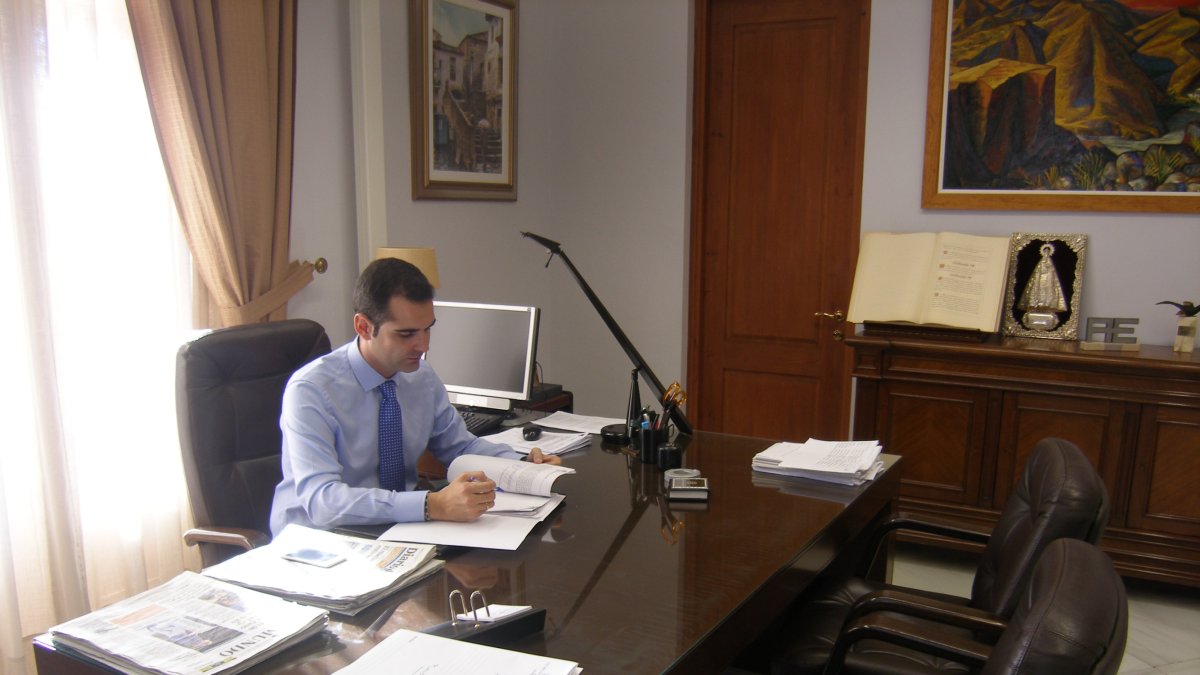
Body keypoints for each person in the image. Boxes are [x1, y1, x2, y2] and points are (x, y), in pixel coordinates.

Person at [269, 258, 561, 536]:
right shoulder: (311, 390)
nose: (422, 345)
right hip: (319, 542)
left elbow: (460, 448)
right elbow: (323, 502)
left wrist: (522, 464)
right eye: (405, 334)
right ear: (363, 327)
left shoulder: (421, 377)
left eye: (427, 329)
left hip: (400, 530)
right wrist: (430, 504)